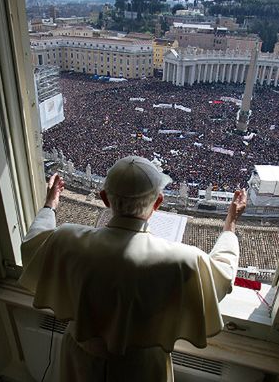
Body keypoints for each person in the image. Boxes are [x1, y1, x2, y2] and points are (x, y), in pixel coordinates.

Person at [18, 156, 247, 382]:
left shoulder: (67, 239)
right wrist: (230, 223)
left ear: (105, 199)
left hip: (81, 359)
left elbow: (32, 247)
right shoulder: (183, 260)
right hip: (141, 369)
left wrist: (50, 205)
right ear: (157, 203)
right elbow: (223, 275)